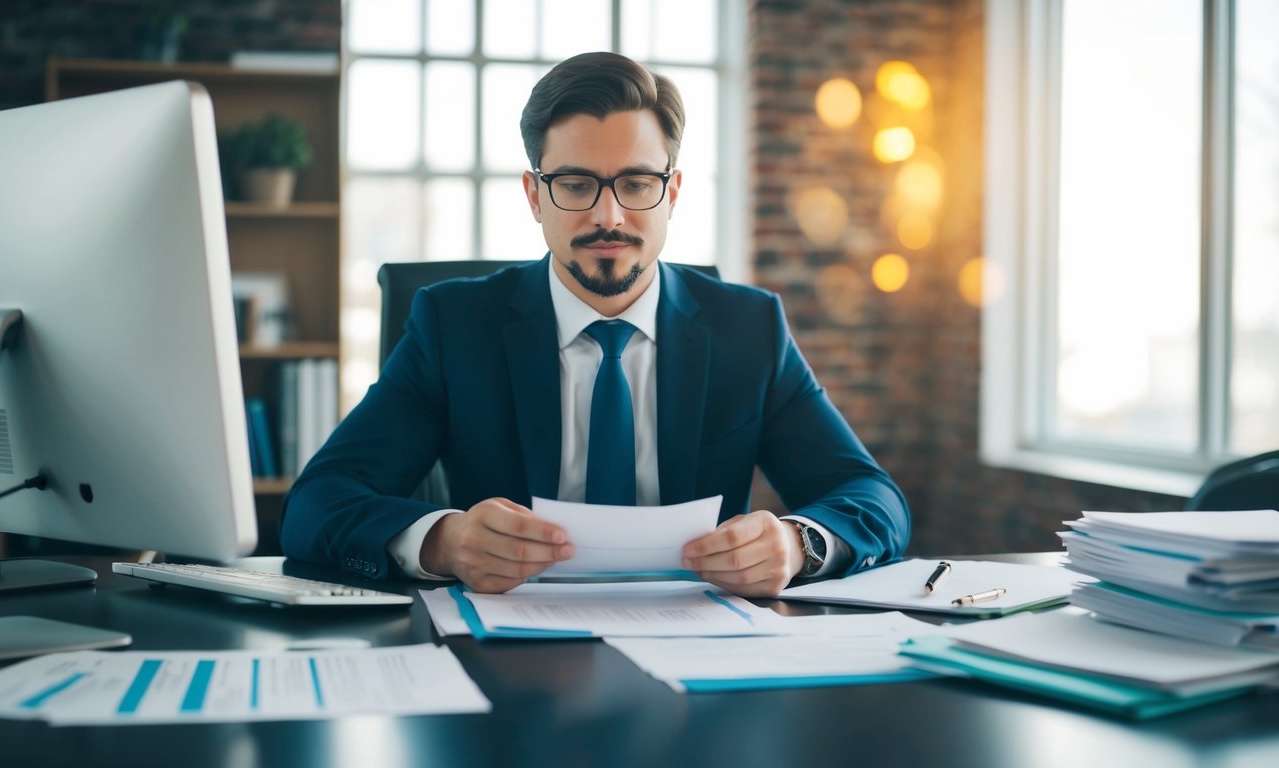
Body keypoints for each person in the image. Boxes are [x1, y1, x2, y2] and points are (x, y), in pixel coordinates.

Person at [281, 51, 909, 597]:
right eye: (576, 184)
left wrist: (800, 544)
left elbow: (871, 497)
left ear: (673, 192)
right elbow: (317, 502)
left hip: (705, 656)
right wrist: (443, 542)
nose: (609, 216)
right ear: (534, 195)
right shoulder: (453, 326)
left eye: (637, 183)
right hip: (506, 660)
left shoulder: (749, 328)